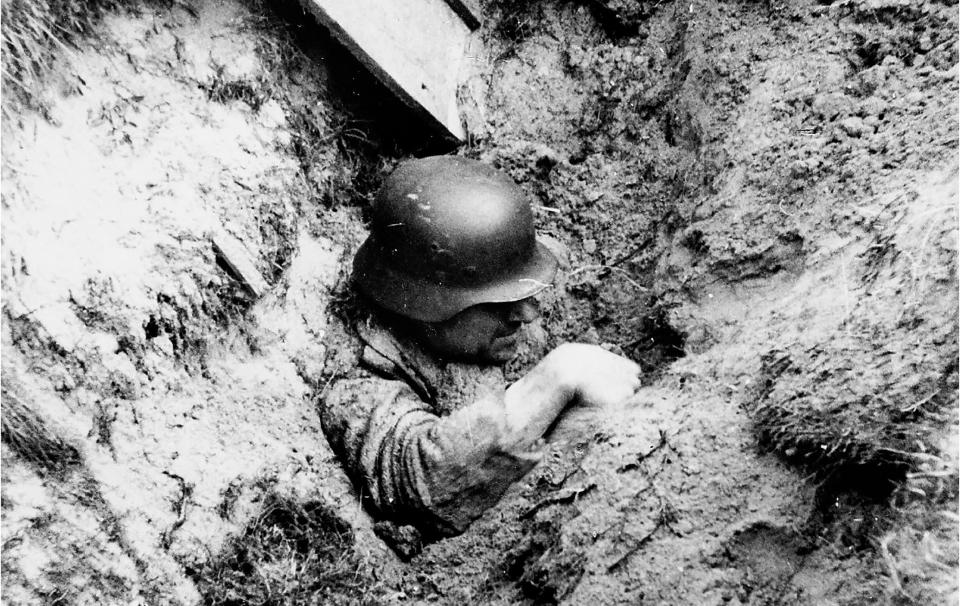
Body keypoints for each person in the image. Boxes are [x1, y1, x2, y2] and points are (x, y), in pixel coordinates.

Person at [320, 155, 641, 551]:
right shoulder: (357, 381)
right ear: (424, 308)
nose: (527, 314)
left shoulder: (483, 306)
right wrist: (555, 379)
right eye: (497, 304)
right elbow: (421, 481)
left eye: (524, 293)